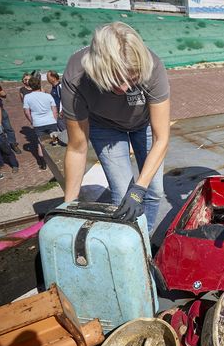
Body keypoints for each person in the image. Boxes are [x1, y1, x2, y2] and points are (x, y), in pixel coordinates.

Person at [62, 22, 171, 231]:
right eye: (115, 80)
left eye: (131, 79)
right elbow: (77, 147)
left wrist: (139, 188)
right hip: (105, 127)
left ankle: (143, 238)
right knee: (122, 195)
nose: (124, 87)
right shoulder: (76, 77)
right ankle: (127, 239)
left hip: (144, 124)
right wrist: (68, 206)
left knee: (154, 190)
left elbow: (162, 138)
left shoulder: (152, 66)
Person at [23, 75, 59, 171]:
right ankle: (56, 161)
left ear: (30, 86)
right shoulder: (48, 96)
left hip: (38, 123)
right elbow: (54, 110)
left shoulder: (27, 97)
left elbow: (26, 112)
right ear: (39, 84)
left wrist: (32, 121)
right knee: (54, 140)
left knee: (41, 144)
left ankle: (43, 164)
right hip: (51, 121)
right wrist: (54, 120)